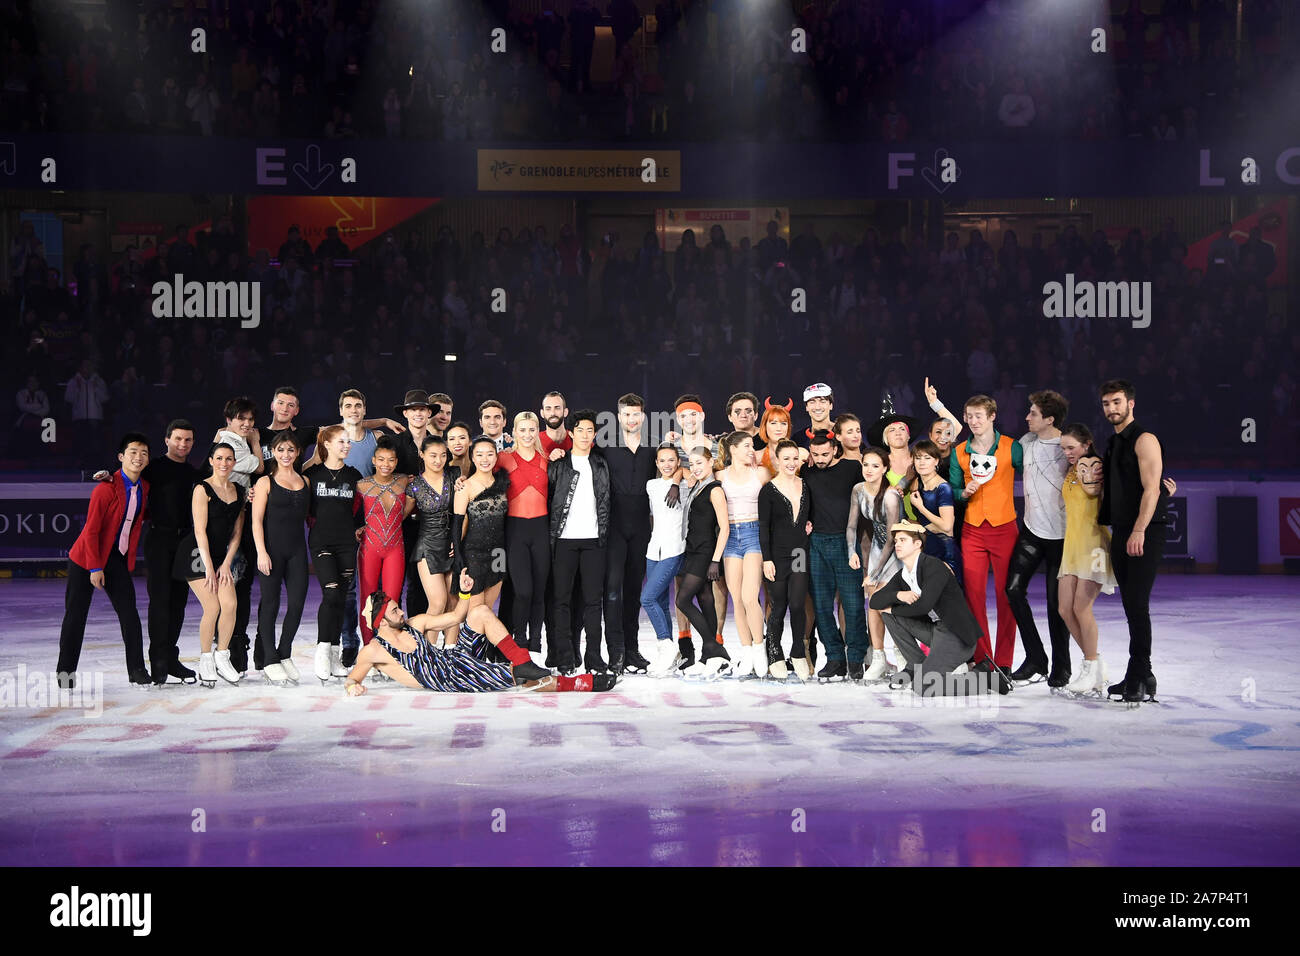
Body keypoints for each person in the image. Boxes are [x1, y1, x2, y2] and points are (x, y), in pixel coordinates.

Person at [349, 573, 615, 694]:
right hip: (449, 679)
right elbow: (352, 679)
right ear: (380, 622)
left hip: (454, 659)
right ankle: (581, 684)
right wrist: (353, 687)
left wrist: (464, 592)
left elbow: (456, 617)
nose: (400, 612)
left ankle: (522, 660)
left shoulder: (415, 623)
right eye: (394, 611)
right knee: (515, 678)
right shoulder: (373, 650)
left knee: (481, 612)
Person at [56, 433, 152, 689]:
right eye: (132, 452)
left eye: (143, 453)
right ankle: (65, 674)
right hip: (86, 557)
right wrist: (95, 566)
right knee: (76, 615)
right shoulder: (105, 488)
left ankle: (137, 671)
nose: (138, 457)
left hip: (116, 558)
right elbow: (91, 531)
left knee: (129, 614)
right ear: (121, 457)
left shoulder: (145, 487)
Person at [1097, 380, 1170, 703]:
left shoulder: (1144, 439)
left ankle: (1140, 674)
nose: (1111, 408)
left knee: (1138, 604)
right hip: (1123, 529)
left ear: (1131, 404)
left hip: (1145, 531)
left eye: (1116, 402)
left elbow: (1151, 488)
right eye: (1106, 403)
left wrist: (1140, 530)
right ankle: (1141, 674)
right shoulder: (1114, 443)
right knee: (1131, 606)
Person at [870, 522, 1002, 697]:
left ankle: (983, 679)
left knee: (923, 687)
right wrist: (898, 596)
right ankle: (915, 665)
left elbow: (925, 605)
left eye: (903, 540)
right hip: (937, 631)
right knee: (887, 614)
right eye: (895, 541)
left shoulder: (933, 566)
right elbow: (875, 601)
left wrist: (893, 609)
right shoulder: (903, 575)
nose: (897, 544)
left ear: (918, 544)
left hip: (958, 637)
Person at [950, 394, 1022, 673]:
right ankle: (983, 659)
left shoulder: (1011, 447)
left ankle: (1004, 660)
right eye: (969, 416)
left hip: (1005, 528)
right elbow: (954, 491)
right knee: (974, 597)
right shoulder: (960, 452)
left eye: (979, 415)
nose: (974, 421)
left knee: (1007, 596)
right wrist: (962, 493)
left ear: (993, 416)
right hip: (972, 531)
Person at [1006, 391, 1072, 686]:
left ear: (1049, 419)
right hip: (1031, 531)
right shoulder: (1025, 443)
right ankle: (1036, 658)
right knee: (1013, 590)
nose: (1026, 418)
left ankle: (1062, 665)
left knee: (1056, 604)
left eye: (1032, 414)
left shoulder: (1067, 445)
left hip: (1063, 536)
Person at [173, 442, 248, 687]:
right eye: (219, 458)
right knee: (213, 606)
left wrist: (226, 563)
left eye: (229, 458)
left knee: (231, 604)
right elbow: (199, 530)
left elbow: (236, 533)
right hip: (196, 553)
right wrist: (208, 566)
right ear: (211, 461)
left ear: (234, 462)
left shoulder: (239, 490)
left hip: (221, 556)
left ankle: (222, 656)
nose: (224, 463)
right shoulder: (202, 489)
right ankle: (206, 659)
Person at [547, 410, 613, 673]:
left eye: (590, 431)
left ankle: (594, 656)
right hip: (563, 541)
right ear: (571, 433)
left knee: (593, 601)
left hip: (594, 541)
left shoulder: (601, 464)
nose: (585, 436)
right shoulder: (559, 465)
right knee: (561, 601)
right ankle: (565, 657)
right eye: (580, 431)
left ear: (594, 434)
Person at [598, 394, 658, 673]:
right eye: (627, 415)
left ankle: (632, 649)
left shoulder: (653, 447)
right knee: (612, 592)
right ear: (618, 416)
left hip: (641, 529)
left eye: (636, 414)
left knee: (634, 590)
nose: (632, 419)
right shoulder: (604, 445)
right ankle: (616, 652)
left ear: (643, 417)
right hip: (613, 528)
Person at [802, 432, 868, 682]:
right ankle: (834, 658)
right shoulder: (806, 471)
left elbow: (867, 495)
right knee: (821, 605)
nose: (819, 459)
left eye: (825, 454)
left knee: (852, 604)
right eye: (815, 454)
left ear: (835, 450)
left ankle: (856, 658)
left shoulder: (852, 468)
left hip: (845, 542)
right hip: (816, 542)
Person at [1057, 424, 1117, 697]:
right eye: (1064, 448)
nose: (1068, 453)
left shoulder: (1095, 466)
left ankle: (1090, 666)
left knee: (1081, 608)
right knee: (1064, 610)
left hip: (1094, 545)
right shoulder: (1071, 470)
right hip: (1072, 545)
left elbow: (1096, 493)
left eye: (1072, 447)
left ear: (1087, 443)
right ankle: (1096, 664)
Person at [139, 420, 200, 684]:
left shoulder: (193, 474)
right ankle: (159, 660)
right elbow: (128, 480)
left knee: (178, 603)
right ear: (166, 440)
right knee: (160, 602)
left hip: (185, 542)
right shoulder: (152, 468)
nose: (182, 444)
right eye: (178, 439)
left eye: (187, 440)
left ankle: (171, 658)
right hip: (159, 539)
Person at [303, 425, 364, 683]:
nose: (347, 445)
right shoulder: (312, 475)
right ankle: (322, 649)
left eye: (348, 442)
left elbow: (359, 510)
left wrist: (358, 529)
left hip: (347, 543)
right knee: (330, 592)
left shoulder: (354, 475)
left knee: (341, 597)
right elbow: (305, 509)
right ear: (326, 444)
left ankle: (336, 654)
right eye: (341, 441)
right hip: (322, 543)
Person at [251, 431, 309, 686]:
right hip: (271, 552)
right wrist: (261, 552)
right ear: (273, 452)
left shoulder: (305, 480)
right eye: (281, 450)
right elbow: (256, 521)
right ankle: (270, 659)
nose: (286, 455)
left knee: (297, 604)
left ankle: (284, 653)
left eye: (291, 450)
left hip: (298, 551)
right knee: (271, 605)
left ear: (297, 453)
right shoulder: (265, 482)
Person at [214, 396, 262, 675]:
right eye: (240, 419)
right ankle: (228, 650)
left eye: (249, 419)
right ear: (229, 420)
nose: (246, 424)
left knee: (238, 588)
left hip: (237, 518)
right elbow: (257, 466)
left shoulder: (233, 439)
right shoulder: (230, 442)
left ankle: (232, 648)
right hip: (228, 522)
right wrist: (256, 441)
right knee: (232, 589)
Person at [848, 447, 905, 681]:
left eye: (875, 465)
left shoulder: (891, 496)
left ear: (884, 469)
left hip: (896, 552)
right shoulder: (858, 490)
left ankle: (902, 655)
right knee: (873, 604)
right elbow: (852, 526)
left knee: (890, 605)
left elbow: (893, 537)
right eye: (865, 465)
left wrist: (875, 572)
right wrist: (851, 551)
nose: (869, 470)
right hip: (875, 550)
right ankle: (879, 658)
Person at [497, 412, 551, 659]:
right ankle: (520, 643)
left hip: (541, 530)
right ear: (514, 432)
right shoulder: (503, 459)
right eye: (523, 430)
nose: (527, 435)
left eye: (532, 430)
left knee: (539, 592)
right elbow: (481, 472)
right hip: (515, 531)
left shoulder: (547, 458)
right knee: (523, 591)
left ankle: (537, 644)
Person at [719, 430, 771, 679]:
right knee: (736, 598)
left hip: (753, 533)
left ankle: (760, 648)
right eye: (747, 446)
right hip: (730, 537)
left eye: (752, 446)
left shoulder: (759, 473)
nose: (752, 450)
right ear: (733, 449)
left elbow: (773, 504)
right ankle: (747, 651)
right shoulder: (720, 475)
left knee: (750, 597)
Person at [676, 446, 731, 679]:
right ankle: (711, 658)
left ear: (711, 463)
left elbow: (725, 528)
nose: (696, 468)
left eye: (700, 463)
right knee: (705, 599)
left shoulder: (714, 490)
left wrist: (715, 560)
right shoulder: (697, 487)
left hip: (705, 552)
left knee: (683, 600)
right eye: (693, 464)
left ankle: (713, 648)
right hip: (693, 549)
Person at [759, 439, 811, 681]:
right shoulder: (768, 490)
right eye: (786, 458)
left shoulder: (805, 485)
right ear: (777, 461)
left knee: (798, 604)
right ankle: (774, 652)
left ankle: (798, 652)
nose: (791, 463)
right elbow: (763, 528)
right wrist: (766, 560)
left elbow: (809, 517)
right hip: (777, 557)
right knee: (778, 606)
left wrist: (810, 525)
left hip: (799, 553)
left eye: (795, 458)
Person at [356, 437, 412, 645]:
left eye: (390, 460)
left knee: (393, 601)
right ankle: (369, 647)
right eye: (381, 459)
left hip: (395, 550)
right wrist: (357, 528)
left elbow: (410, 507)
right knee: (368, 600)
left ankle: (390, 647)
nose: (385, 465)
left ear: (396, 462)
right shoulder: (361, 486)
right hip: (369, 549)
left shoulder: (404, 481)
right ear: (373, 460)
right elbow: (352, 515)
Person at [407, 434, 458, 643]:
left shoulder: (454, 477)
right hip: (427, 546)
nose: (438, 460)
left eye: (443, 455)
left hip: (453, 545)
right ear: (422, 455)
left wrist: (458, 540)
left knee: (453, 604)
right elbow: (399, 516)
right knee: (437, 602)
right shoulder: (414, 486)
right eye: (433, 455)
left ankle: (451, 654)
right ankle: (426, 657)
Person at [643, 443, 687, 676]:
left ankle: (667, 646)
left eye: (672, 460)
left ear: (678, 462)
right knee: (659, 602)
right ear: (657, 464)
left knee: (646, 598)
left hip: (674, 549)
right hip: (654, 549)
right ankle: (669, 654)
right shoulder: (651, 485)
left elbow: (689, 473)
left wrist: (677, 482)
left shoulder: (686, 484)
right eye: (662, 461)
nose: (667, 464)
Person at [452, 435, 510, 611]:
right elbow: (458, 524)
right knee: (476, 610)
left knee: (490, 607)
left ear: (496, 456)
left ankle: (486, 640)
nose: (485, 459)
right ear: (472, 457)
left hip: (499, 553)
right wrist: (457, 556)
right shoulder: (465, 487)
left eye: (490, 454)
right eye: (479, 455)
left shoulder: (503, 482)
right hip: (474, 554)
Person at [906, 439, 958, 572]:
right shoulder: (917, 483)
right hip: (926, 546)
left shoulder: (943, 488)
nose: (922, 462)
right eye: (918, 458)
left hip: (943, 550)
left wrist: (921, 508)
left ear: (936, 461)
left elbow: (947, 526)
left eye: (927, 458)